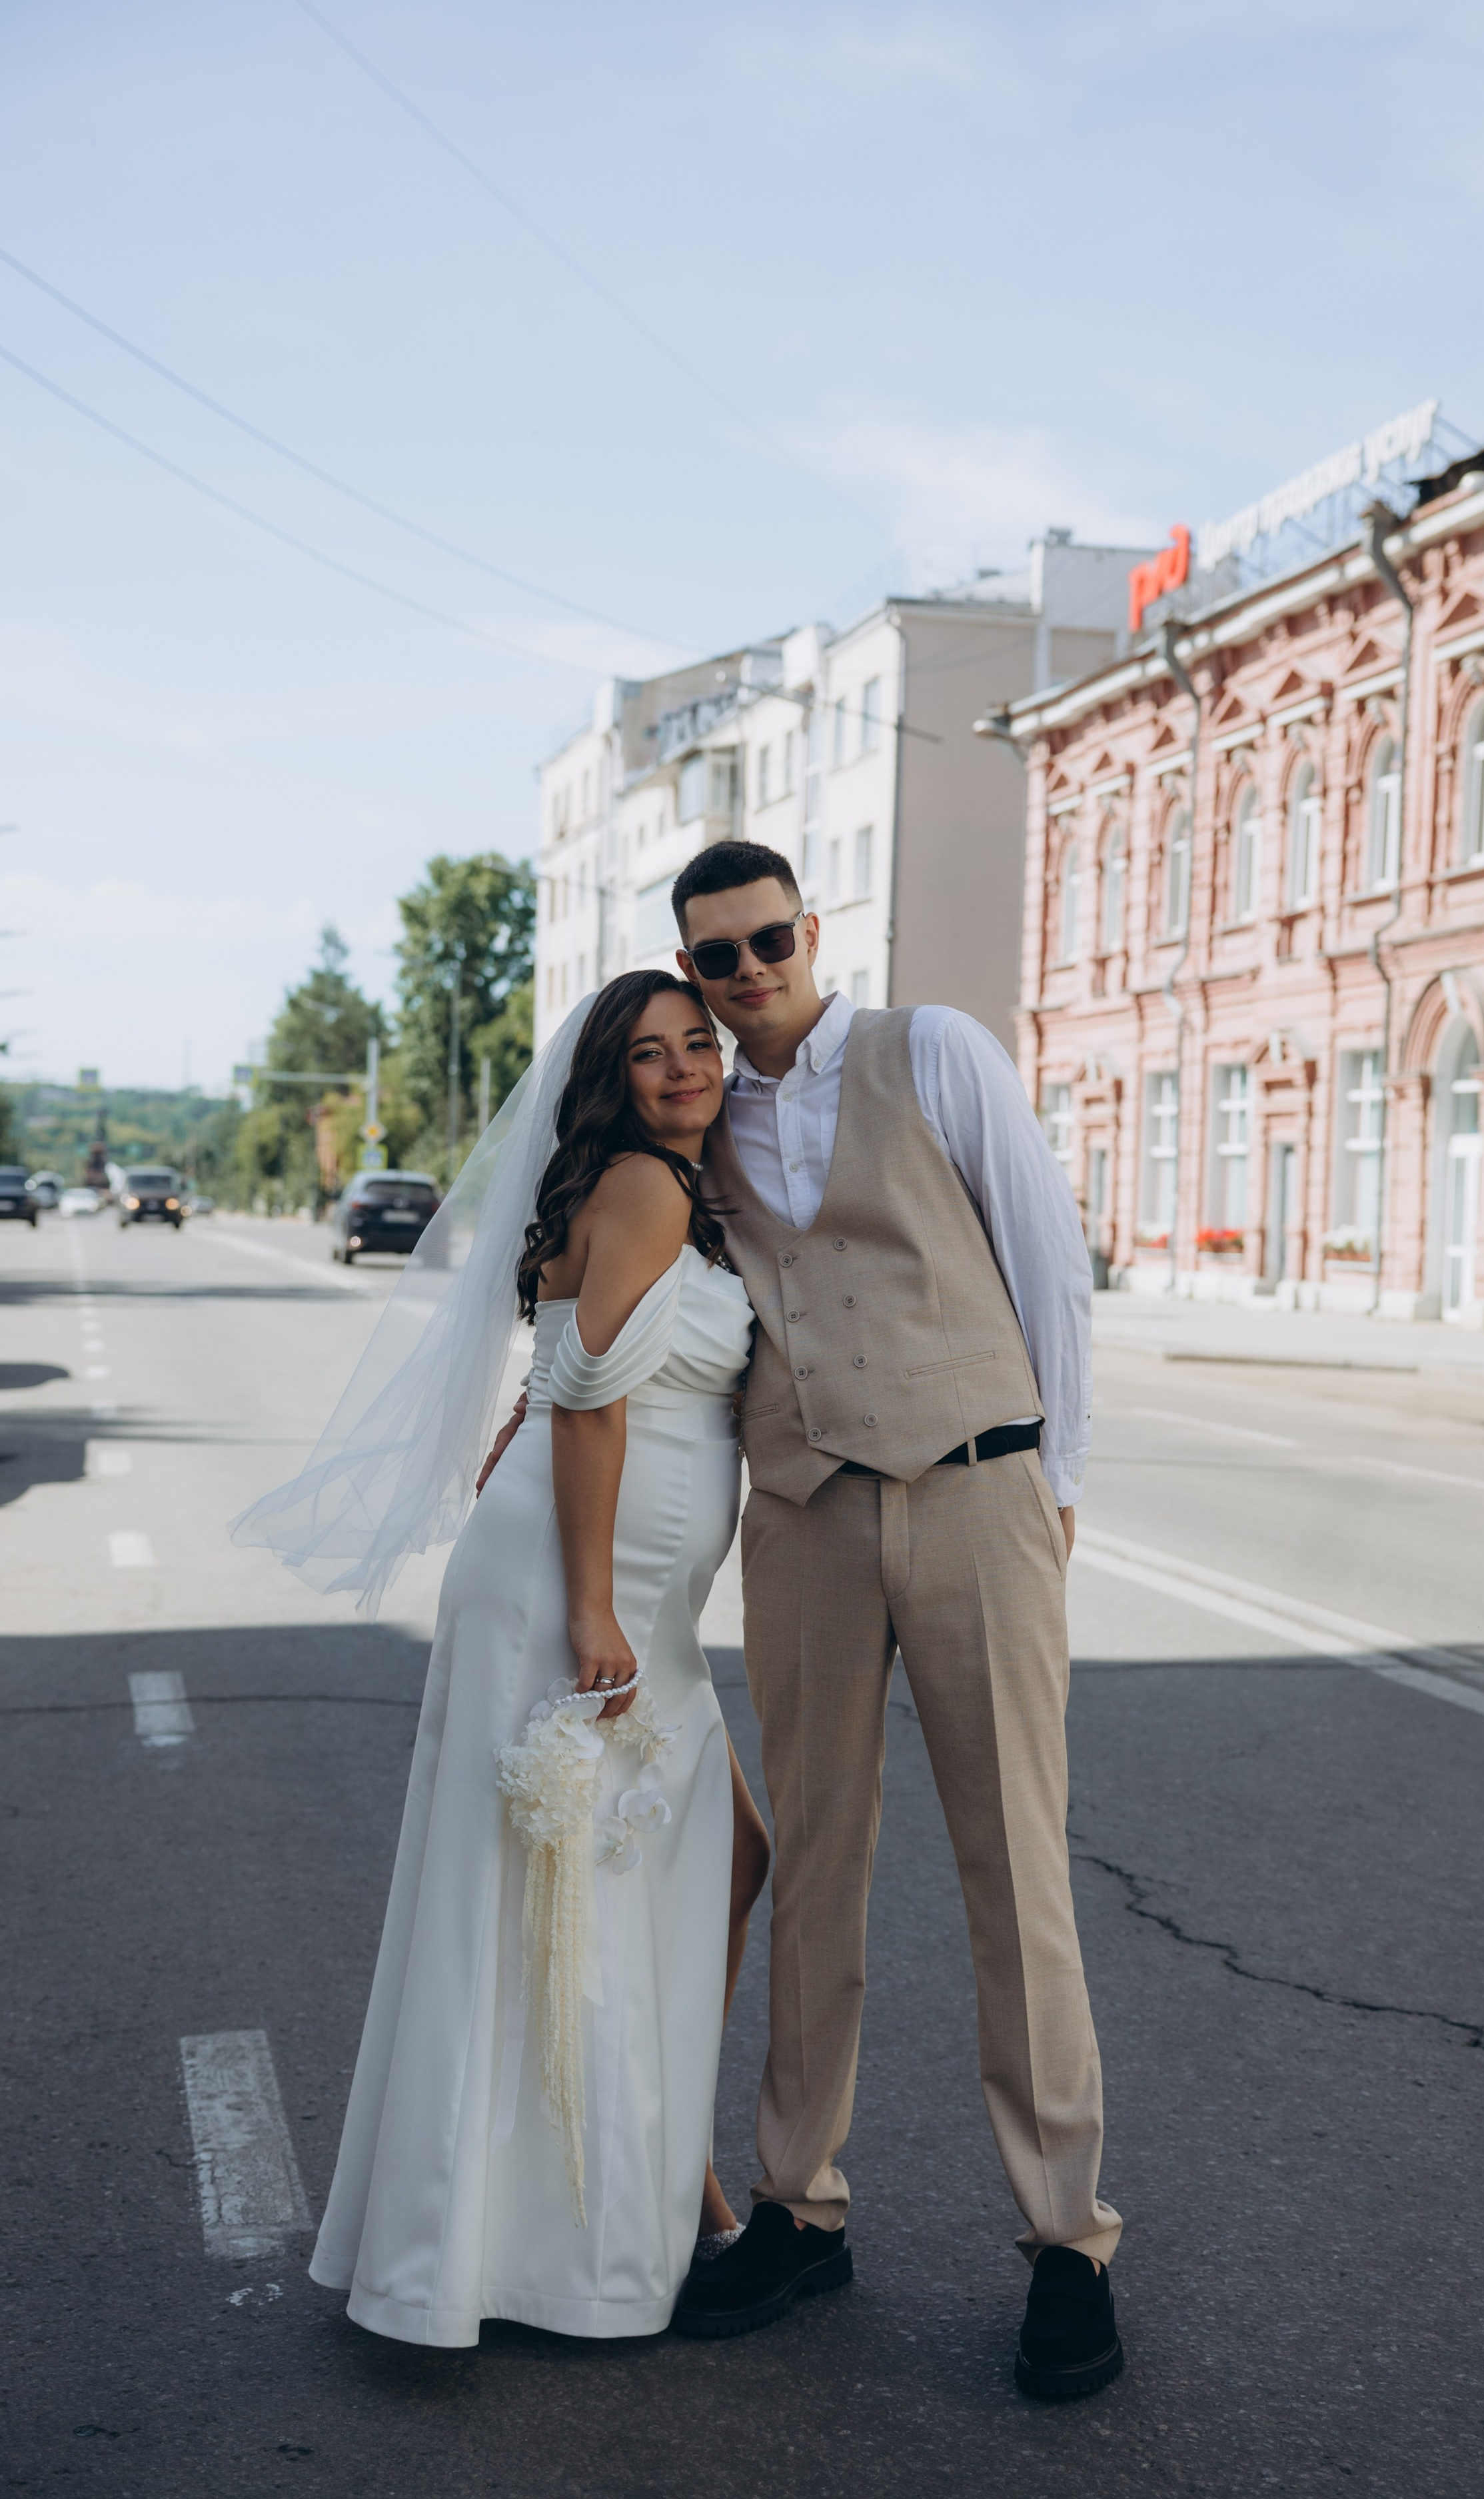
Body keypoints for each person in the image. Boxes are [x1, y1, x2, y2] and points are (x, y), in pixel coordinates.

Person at [232, 972, 768, 2345]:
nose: (683, 1069)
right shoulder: (645, 1186)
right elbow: (587, 1403)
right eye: (648, 1054)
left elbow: (561, 1373)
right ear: (610, 1081)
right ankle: (568, 2243)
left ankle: (653, 2184)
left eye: (697, 1044)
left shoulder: (669, 1188)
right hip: (582, 1587)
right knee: (571, 1888)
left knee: (683, 1864)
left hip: (606, 1577)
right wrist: (590, 1608)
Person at [665, 840, 1123, 2402]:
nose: (747, 973)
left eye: (766, 940)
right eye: (715, 957)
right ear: (692, 973)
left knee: (1017, 1871)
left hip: (977, 1487)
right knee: (814, 1867)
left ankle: (1065, 2243)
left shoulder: (931, 1051)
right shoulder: (700, 1118)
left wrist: (1055, 1482)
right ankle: (798, 2208)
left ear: (812, 930)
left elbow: (1048, 1264)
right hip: (801, 1516)